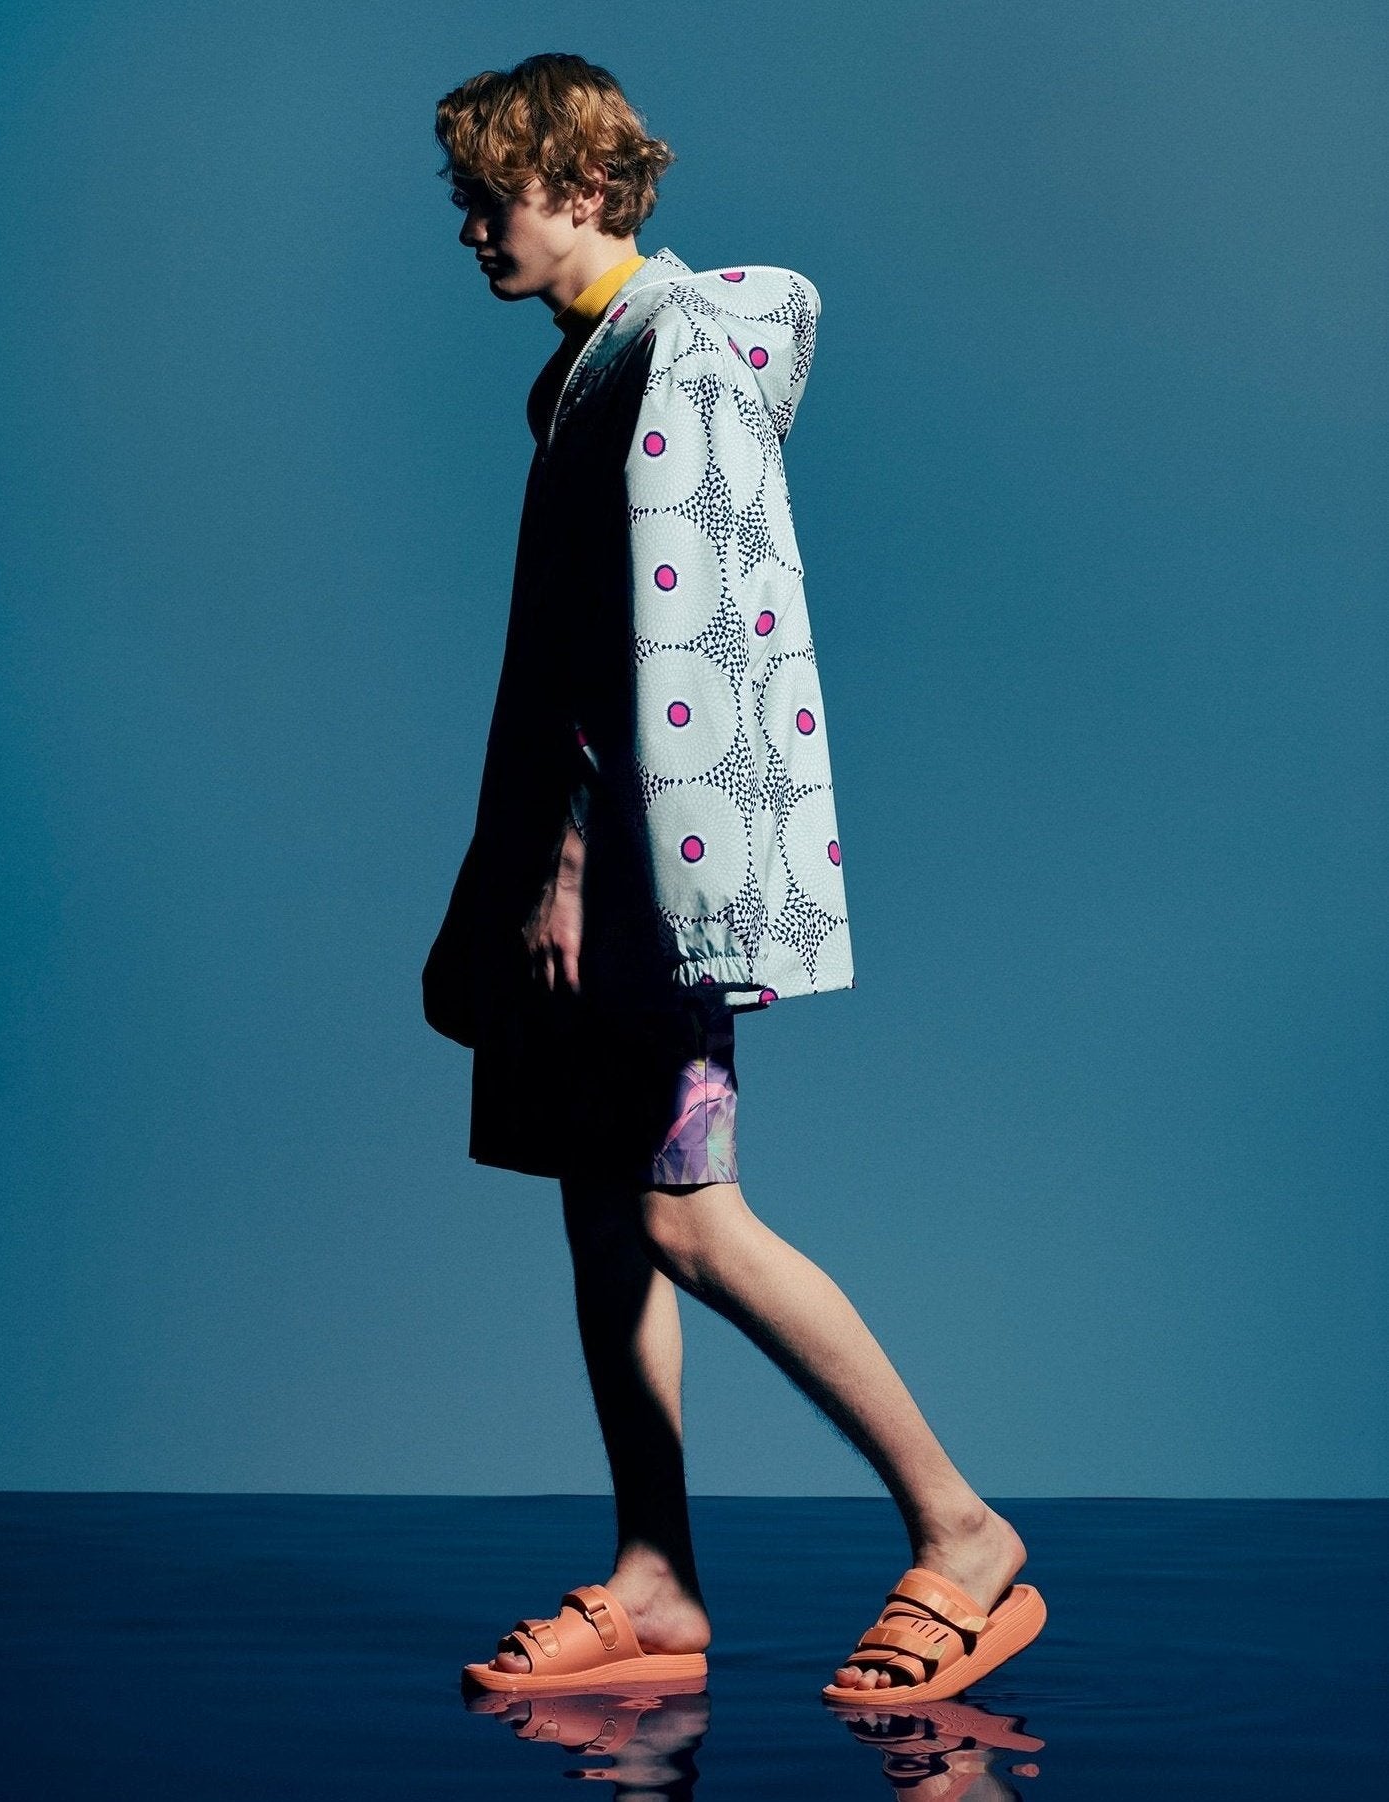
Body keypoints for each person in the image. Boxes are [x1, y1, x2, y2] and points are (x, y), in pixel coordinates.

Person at [425, 52, 1045, 1703]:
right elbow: (560, 656)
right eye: (462, 199)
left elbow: (672, 642)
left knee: (684, 1216)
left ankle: (962, 1529)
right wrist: (505, 879)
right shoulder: (580, 371)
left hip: (638, 880)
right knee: (599, 1213)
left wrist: (570, 865)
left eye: (492, 194)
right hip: (574, 872)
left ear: (583, 185)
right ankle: (654, 1580)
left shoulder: (673, 353)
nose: (471, 228)